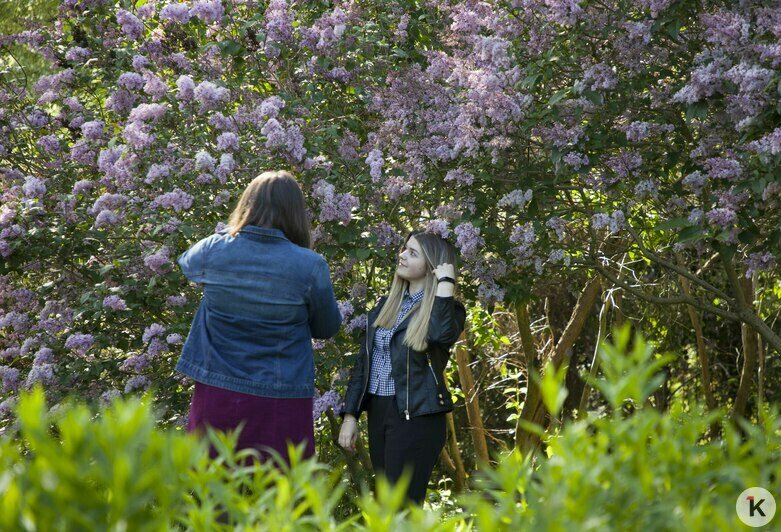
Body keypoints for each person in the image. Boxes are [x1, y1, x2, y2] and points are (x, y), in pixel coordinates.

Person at [176, 170, 342, 463]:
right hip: (282, 398)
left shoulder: (214, 249)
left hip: (218, 391)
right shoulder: (310, 266)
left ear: (247, 203)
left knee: (214, 492)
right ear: (295, 213)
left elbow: (186, 264)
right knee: (278, 494)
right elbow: (327, 327)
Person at [338, 230, 466, 504]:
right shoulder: (387, 305)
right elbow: (365, 362)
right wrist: (351, 415)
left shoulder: (448, 310)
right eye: (404, 249)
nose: (402, 255)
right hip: (379, 410)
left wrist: (445, 283)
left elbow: (440, 337)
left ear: (431, 265)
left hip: (416, 415)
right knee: (386, 503)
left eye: (413, 252)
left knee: (402, 507)